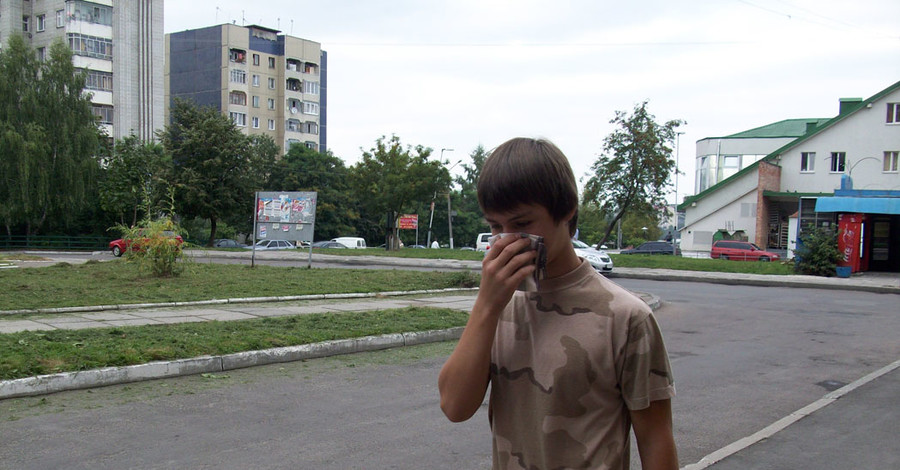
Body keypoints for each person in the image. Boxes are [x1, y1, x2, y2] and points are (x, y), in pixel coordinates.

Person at [438, 137, 678, 470]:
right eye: (496, 227)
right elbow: (454, 406)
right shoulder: (498, 308)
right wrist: (487, 305)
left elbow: (655, 439)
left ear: (566, 211)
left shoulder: (626, 317)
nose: (507, 240)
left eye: (522, 224)